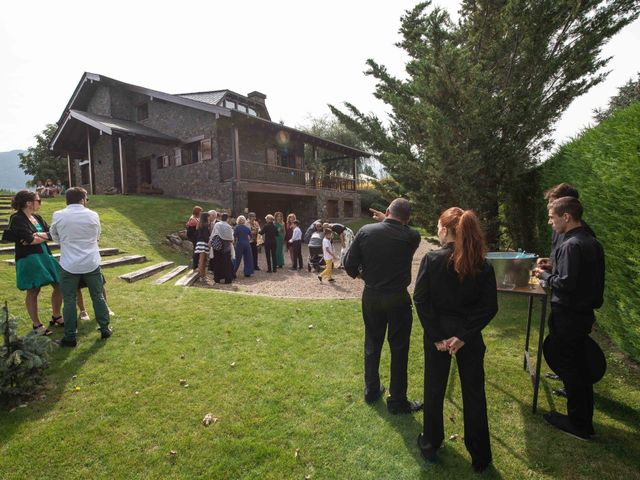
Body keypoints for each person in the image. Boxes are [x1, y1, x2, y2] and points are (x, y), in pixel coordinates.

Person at [413, 207, 498, 472]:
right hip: (466, 336)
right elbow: (488, 307)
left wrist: (443, 337)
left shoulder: (436, 260)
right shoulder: (481, 264)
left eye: (439, 226)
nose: (437, 230)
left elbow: (420, 299)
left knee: (435, 390)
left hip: (453, 335)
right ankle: (480, 456)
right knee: (474, 394)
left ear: (447, 229)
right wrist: (458, 336)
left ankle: (430, 444)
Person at [534, 197, 605, 441]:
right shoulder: (591, 242)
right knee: (580, 368)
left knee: (572, 370)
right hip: (583, 314)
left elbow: (565, 284)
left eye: (552, 217)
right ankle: (583, 420)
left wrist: (544, 275)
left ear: (566, 217)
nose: (549, 221)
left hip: (568, 315)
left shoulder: (570, 245)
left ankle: (578, 424)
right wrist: (554, 270)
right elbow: (579, 279)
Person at [343, 198, 423, 414]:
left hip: (372, 295)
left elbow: (348, 264)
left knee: (372, 343)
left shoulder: (366, 231)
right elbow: (399, 228)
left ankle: (371, 390)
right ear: (407, 219)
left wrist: (362, 276)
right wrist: (389, 220)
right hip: (398, 298)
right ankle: (397, 400)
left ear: (387, 211)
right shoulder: (412, 236)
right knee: (399, 348)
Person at [50, 187, 111, 347]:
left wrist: (65, 243)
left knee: (69, 300)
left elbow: (54, 236)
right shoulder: (93, 215)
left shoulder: (58, 215)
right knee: (97, 296)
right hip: (91, 262)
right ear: (82, 199)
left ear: (67, 199)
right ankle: (105, 328)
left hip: (69, 263)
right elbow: (97, 236)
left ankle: (70, 337)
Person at [2, 190, 63, 335]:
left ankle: (56, 316)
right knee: (34, 290)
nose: (39, 203)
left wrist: (37, 236)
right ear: (28, 202)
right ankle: (37, 325)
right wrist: (38, 237)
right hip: (29, 258)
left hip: (44, 254)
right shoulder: (17, 218)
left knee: (60, 284)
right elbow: (28, 239)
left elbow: (52, 234)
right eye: (38, 200)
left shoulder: (37, 217)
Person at [537, 183, 596, 273]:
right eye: (549, 202)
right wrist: (551, 263)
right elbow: (565, 263)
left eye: (553, 202)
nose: (548, 206)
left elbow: (574, 276)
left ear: (567, 203)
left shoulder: (585, 235)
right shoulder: (558, 228)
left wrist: (545, 276)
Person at [211, 213, 235, 284]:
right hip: (226, 247)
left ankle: (217, 278)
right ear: (227, 218)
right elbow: (231, 238)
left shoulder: (217, 224)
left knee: (217, 262)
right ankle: (227, 279)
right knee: (226, 263)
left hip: (217, 246)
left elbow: (213, 234)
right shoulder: (228, 227)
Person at [194, 212, 210, 279]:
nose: (209, 218)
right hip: (203, 243)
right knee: (202, 260)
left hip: (199, 242)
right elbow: (206, 235)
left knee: (203, 260)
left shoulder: (199, 224)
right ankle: (201, 276)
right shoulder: (206, 225)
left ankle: (203, 275)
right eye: (208, 217)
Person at [186, 206, 202, 270]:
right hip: (193, 235)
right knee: (196, 250)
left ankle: (195, 265)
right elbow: (193, 226)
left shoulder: (196, 218)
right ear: (197, 211)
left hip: (195, 235)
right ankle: (194, 266)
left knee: (196, 250)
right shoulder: (193, 219)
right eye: (200, 211)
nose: (201, 212)